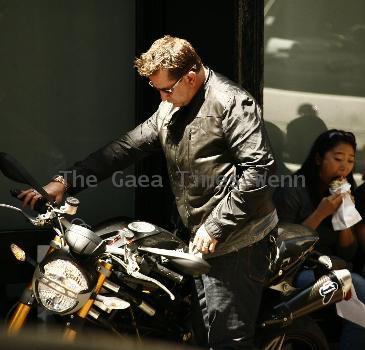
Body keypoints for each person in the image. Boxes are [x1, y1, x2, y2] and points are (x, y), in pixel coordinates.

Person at [19, 35, 278, 349]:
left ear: (191, 78)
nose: (161, 97)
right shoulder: (169, 108)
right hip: (193, 235)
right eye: (156, 89)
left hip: (238, 240)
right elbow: (125, 148)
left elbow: (258, 171)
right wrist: (64, 181)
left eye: (165, 89)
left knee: (226, 341)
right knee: (190, 331)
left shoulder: (232, 102)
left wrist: (217, 224)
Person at [273, 129, 365, 350]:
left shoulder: (344, 194)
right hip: (294, 272)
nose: (344, 167)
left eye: (350, 160)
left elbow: (347, 254)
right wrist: (321, 213)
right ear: (318, 158)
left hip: (332, 267)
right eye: (337, 158)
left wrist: (344, 216)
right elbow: (282, 245)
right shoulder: (293, 188)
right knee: (360, 288)